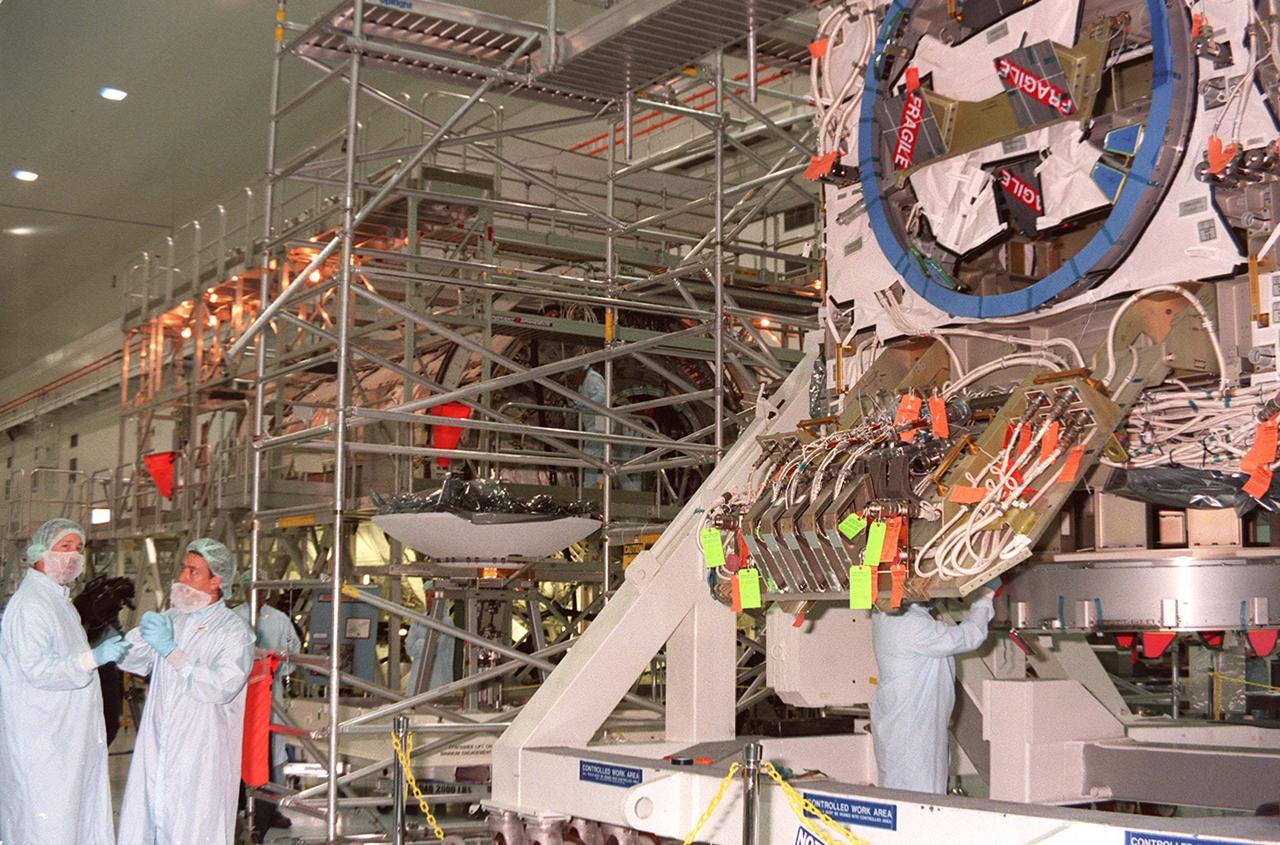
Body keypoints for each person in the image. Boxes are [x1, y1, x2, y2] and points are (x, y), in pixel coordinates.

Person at [117, 538, 255, 845]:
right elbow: (129, 660)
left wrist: (173, 653)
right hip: (157, 746)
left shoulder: (234, 632)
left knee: (194, 830)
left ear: (215, 581)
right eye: (183, 568)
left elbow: (222, 687)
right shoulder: (172, 618)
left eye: (193, 571)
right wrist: (134, 637)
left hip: (201, 754)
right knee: (149, 822)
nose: (182, 577)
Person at [0, 517, 127, 845]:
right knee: (46, 828)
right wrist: (92, 659)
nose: (73, 555)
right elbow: (39, 670)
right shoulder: (31, 605)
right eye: (64, 547)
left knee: (69, 826)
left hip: (65, 742)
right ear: (41, 552)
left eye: (78, 548)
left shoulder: (58, 601)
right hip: (43, 743)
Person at [869, 578, 999, 794]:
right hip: (914, 736)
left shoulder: (885, 616)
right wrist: (983, 597)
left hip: (908, 728)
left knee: (910, 800)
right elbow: (969, 637)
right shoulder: (909, 625)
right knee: (922, 802)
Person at [233, 574, 301, 839]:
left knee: (274, 754)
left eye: (261, 590)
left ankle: (270, 810)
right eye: (251, 589)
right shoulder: (233, 618)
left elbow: (292, 655)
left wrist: (273, 668)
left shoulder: (279, 620)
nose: (257, 594)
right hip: (240, 697)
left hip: (271, 697)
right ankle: (243, 808)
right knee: (244, 751)